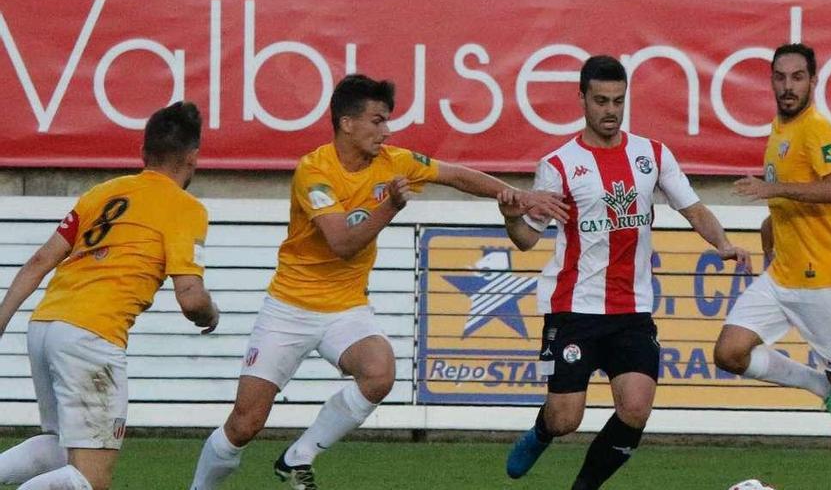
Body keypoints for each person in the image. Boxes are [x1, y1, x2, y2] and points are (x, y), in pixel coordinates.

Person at [189, 74, 567, 490]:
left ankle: (298, 458)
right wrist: (390, 207)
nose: (385, 131)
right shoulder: (314, 172)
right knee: (245, 424)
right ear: (347, 124)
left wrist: (519, 196)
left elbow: (455, 175)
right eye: (377, 121)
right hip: (289, 308)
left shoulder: (393, 160)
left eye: (387, 121)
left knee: (378, 372)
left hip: (346, 307)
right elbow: (341, 244)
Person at [498, 55, 751, 490]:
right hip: (573, 309)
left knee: (635, 408)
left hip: (632, 309)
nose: (610, 110)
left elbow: (692, 207)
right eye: (600, 100)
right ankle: (543, 431)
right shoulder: (558, 165)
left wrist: (723, 243)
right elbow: (526, 240)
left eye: (618, 100)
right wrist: (508, 216)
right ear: (582, 100)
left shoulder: (651, 154)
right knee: (565, 419)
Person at [0, 101, 220, 490]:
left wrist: (0, 320)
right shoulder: (185, 207)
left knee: (58, 446)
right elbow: (191, 298)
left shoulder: (103, 193)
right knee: (91, 479)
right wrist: (210, 315)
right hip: (91, 335)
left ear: (143, 153)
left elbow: (40, 259)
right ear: (193, 157)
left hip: (45, 326)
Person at [714, 43, 831, 486]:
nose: (788, 87)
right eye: (780, 78)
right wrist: (770, 234)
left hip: (819, 277)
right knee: (729, 352)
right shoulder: (778, 130)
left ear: (813, 81)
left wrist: (774, 192)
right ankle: (821, 388)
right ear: (770, 81)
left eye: (797, 77)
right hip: (782, 272)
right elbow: (784, 199)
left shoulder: (817, 130)